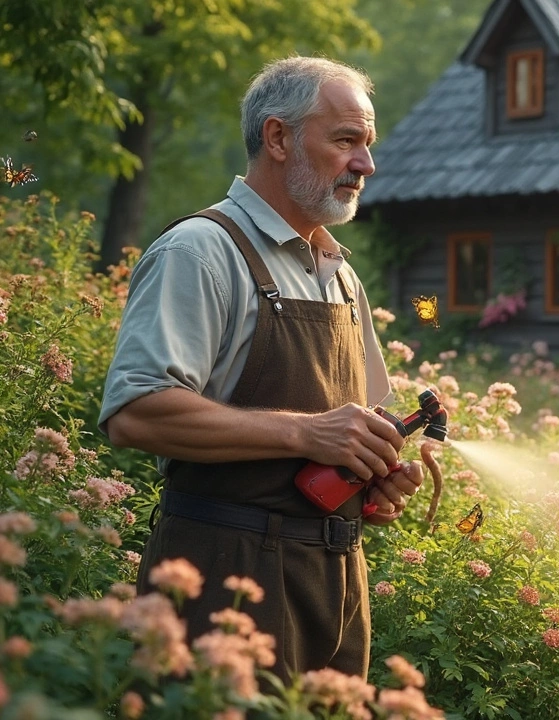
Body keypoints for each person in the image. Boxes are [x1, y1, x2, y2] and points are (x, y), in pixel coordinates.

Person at [98, 56, 436, 681]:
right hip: (223, 588)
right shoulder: (200, 251)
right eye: (345, 141)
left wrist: (368, 479)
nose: (367, 165)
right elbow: (135, 412)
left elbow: (346, 432)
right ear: (278, 138)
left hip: (335, 590)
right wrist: (305, 433)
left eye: (367, 143)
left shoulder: (340, 274)